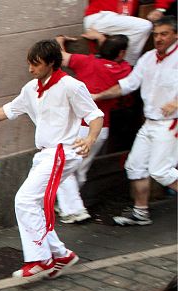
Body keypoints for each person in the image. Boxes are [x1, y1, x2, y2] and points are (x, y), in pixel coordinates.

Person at [0, 39, 103, 279]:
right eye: (29, 64)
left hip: (62, 152)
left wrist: (90, 139)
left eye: (35, 64)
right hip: (46, 154)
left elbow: (95, 115)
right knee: (31, 204)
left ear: (52, 63)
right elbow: (7, 111)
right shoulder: (31, 89)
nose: (30, 69)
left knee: (25, 200)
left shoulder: (71, 86)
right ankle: (60, 254)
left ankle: (40, 260)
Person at [91, 17, 178, 226]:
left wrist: (176, 102)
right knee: (135, 166)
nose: (158, 38)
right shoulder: (148, 58)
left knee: (161, 171)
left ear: (175, 35)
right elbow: (127, 84)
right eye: (156, 34)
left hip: (171, 124)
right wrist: (98, 96)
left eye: (164, 34)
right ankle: (140, 213)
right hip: (149, 123)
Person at [54, 33, 132, 223]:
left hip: (79, 126)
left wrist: (59, 41)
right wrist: (101, 40)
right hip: (101, 129)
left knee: (63, 167)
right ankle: (65, 205)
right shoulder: (124, 69)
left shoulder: (85, 62)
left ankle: (74, 210)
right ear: (121, 53)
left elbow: (60, 57)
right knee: (80, 169)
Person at [83, 0, 167, 64]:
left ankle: (123, 68)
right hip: (100, 16)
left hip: (115, 23)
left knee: (138, 30)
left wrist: (160, 9)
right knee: (144, 26)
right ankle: (126, 67)